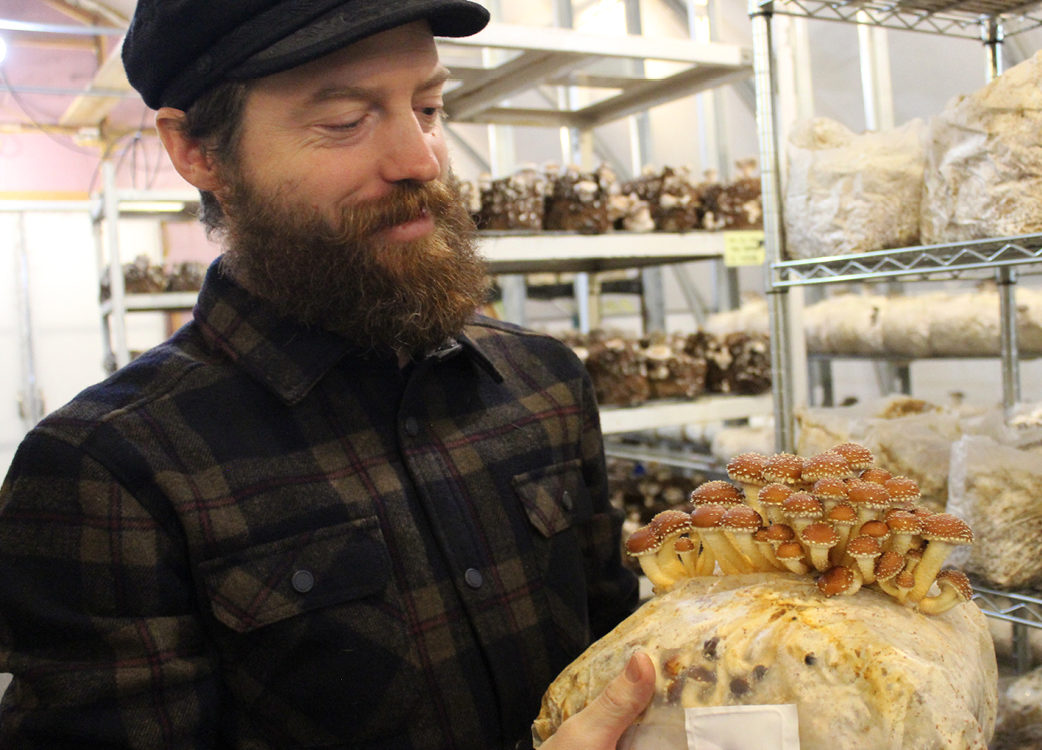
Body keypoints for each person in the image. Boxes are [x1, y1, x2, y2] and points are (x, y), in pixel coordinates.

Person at [0, 1, 656, 747]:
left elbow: (621, 663)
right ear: (198, 152)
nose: (423, 159)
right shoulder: (108, 473)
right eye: (345, 121)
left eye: (430, 106)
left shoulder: (542, 384)